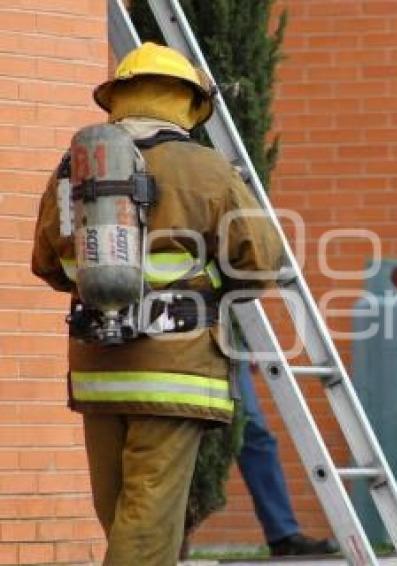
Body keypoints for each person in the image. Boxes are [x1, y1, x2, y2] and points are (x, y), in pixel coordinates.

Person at [31, 42, 282, 564]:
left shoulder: (73, 170)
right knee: (149, 517)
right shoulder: (207, 169)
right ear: (187, 103)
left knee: (119, 510)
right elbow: (260, 261)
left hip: (98, 365)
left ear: (118, 99)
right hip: (177, 368)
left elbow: (47, 262)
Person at [234, 359, 338, 556]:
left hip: (230, 345)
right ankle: (169, 537)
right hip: (183, 344)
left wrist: (248, 343)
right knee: (185, 436)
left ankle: (283, 536)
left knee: (255, 434)